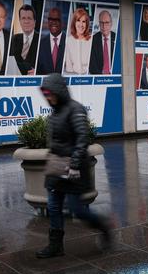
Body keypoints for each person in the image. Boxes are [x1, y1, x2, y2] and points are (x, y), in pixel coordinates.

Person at [35, 73, 111, 259]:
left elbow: (82, 138)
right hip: (56, 167)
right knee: (53, 207)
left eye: (50, 93)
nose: (48, 97)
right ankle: (55, 245)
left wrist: (75, 164)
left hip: (73, 167)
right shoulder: (55, 111)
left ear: (59, 91)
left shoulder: (75, 109)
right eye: (45, 94)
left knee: (77, 209)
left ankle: (103, 227)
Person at [10, 4, 39, 75]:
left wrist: (39, 72)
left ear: (34, 22)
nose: (26, 21)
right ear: (20, 21)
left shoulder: (43, 40)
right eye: (23, 18)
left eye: (29, 18)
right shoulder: (13, 39)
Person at [37, 7, 66, 75]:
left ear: (62, 22)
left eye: (56, 20)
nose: (53, 22)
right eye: (50, 19)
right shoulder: (41, 43)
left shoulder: (69, 42)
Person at [64, 8, 92, 75]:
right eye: (78, 20)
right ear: (74, 22)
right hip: (74, 78)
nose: (81, 25)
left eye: (83, 21)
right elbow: (69, 68)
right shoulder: (69, 40)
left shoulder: (92, 40)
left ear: (87, 24)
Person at [89, 10, 117, 75]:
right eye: (102, 23)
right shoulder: (93, 40)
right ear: (99, 23)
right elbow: (92, 67)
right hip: (99, 78)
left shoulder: (117, 38)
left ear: (111, 23)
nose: (104, 26)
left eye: (107, 22)